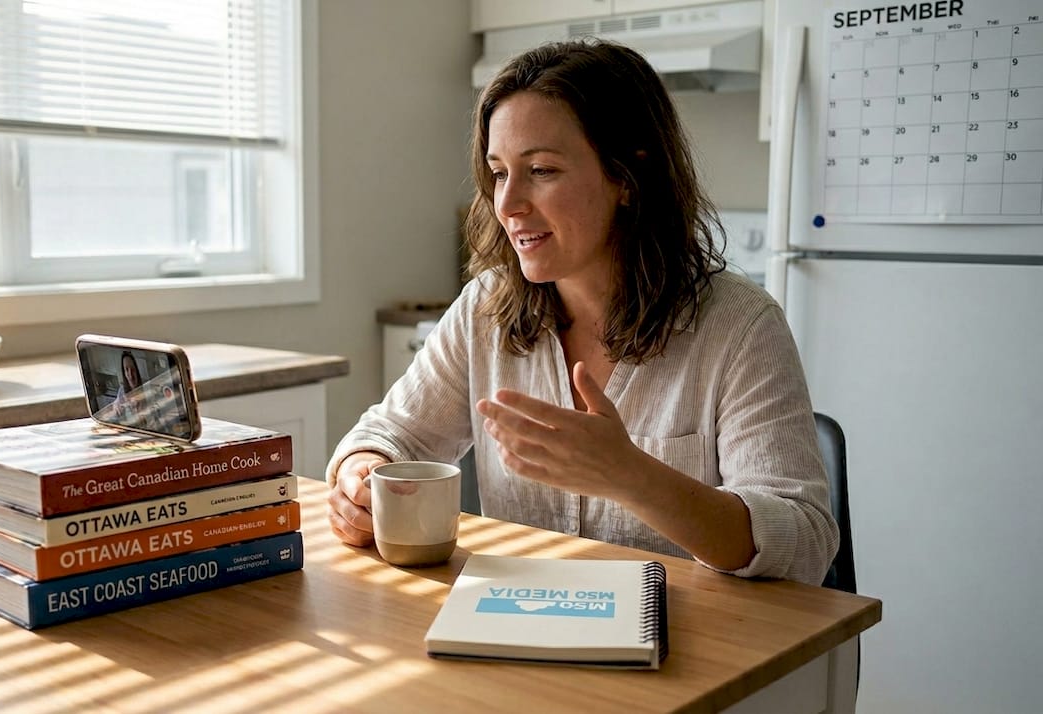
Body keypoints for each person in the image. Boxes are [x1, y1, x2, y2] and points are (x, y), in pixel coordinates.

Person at [324, 39, 838, 586]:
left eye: (541, 170)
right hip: (523, 630)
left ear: (626, 177)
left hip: (687, 648)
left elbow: (806, 543)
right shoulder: (486, 308)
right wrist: (360, 476)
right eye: (499, 173)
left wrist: (631, 476)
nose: (508, 203)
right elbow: (391, 433)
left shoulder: (739, 325)